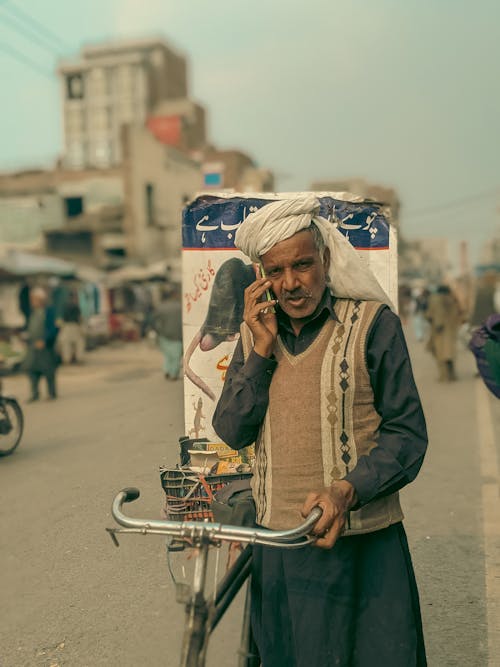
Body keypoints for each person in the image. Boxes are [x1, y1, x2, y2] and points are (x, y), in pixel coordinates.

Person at [212, 195, 428, 667]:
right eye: (275, 271)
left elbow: (408, 436)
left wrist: (346, 492)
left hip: (363, 550)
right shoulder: (254, 337)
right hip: (281, 553)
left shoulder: (374, 325)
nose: (291, 283)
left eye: (303, 264)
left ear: (325, 261)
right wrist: (261, 353)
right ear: (260, 278)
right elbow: (231, 430)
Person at [23, 287, 59, 401]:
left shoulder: (48, 312)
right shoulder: (32, 312)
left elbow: (53, 329)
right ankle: (35, 393)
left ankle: (51, 393)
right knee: (32, 370)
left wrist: (44, 340)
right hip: (33, 346)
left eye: (34, 299)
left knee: (48, 370)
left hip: (45, 347)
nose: (32, 301)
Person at [426, 285, 462, 382]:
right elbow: (459, 313)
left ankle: (444, 376)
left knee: (440, 353)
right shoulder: (453, 299)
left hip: (439, 330)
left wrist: (436, 322)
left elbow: (433, 314)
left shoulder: (435, 299)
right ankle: (452, 375)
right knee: (449, 353)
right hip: (451, 329)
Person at [152, 285, 183, 379]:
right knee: (176, 356)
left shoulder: (161, 307)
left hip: (163, 335)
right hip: (177, 335)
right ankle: (173, 373)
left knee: (167, 355)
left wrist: (158, 332)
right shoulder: (180, 307)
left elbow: (154, 321)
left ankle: (167, 371)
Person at [58, 291, 85, 364]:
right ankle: (79, 358)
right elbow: (80, 318)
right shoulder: (76, 306)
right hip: (75, 326)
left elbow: (62, 318)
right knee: (79, 343)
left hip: (66, 326)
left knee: (66, 345)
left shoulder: (64, 306)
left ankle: (67, 359)